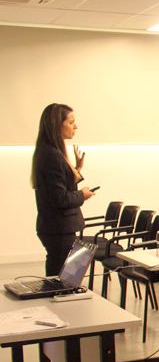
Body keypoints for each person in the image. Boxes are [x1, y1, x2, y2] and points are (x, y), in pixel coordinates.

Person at [31, 103, 95, 275]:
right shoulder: (53, 155)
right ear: (57, 125)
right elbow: (60, 198)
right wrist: (82, 195)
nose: (76, 126)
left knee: (69, 278)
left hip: (57, 227)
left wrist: (76, 169)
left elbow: (59, 184)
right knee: (63, 281)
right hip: (59, 228)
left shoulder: (49, 152)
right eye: (71, 122)